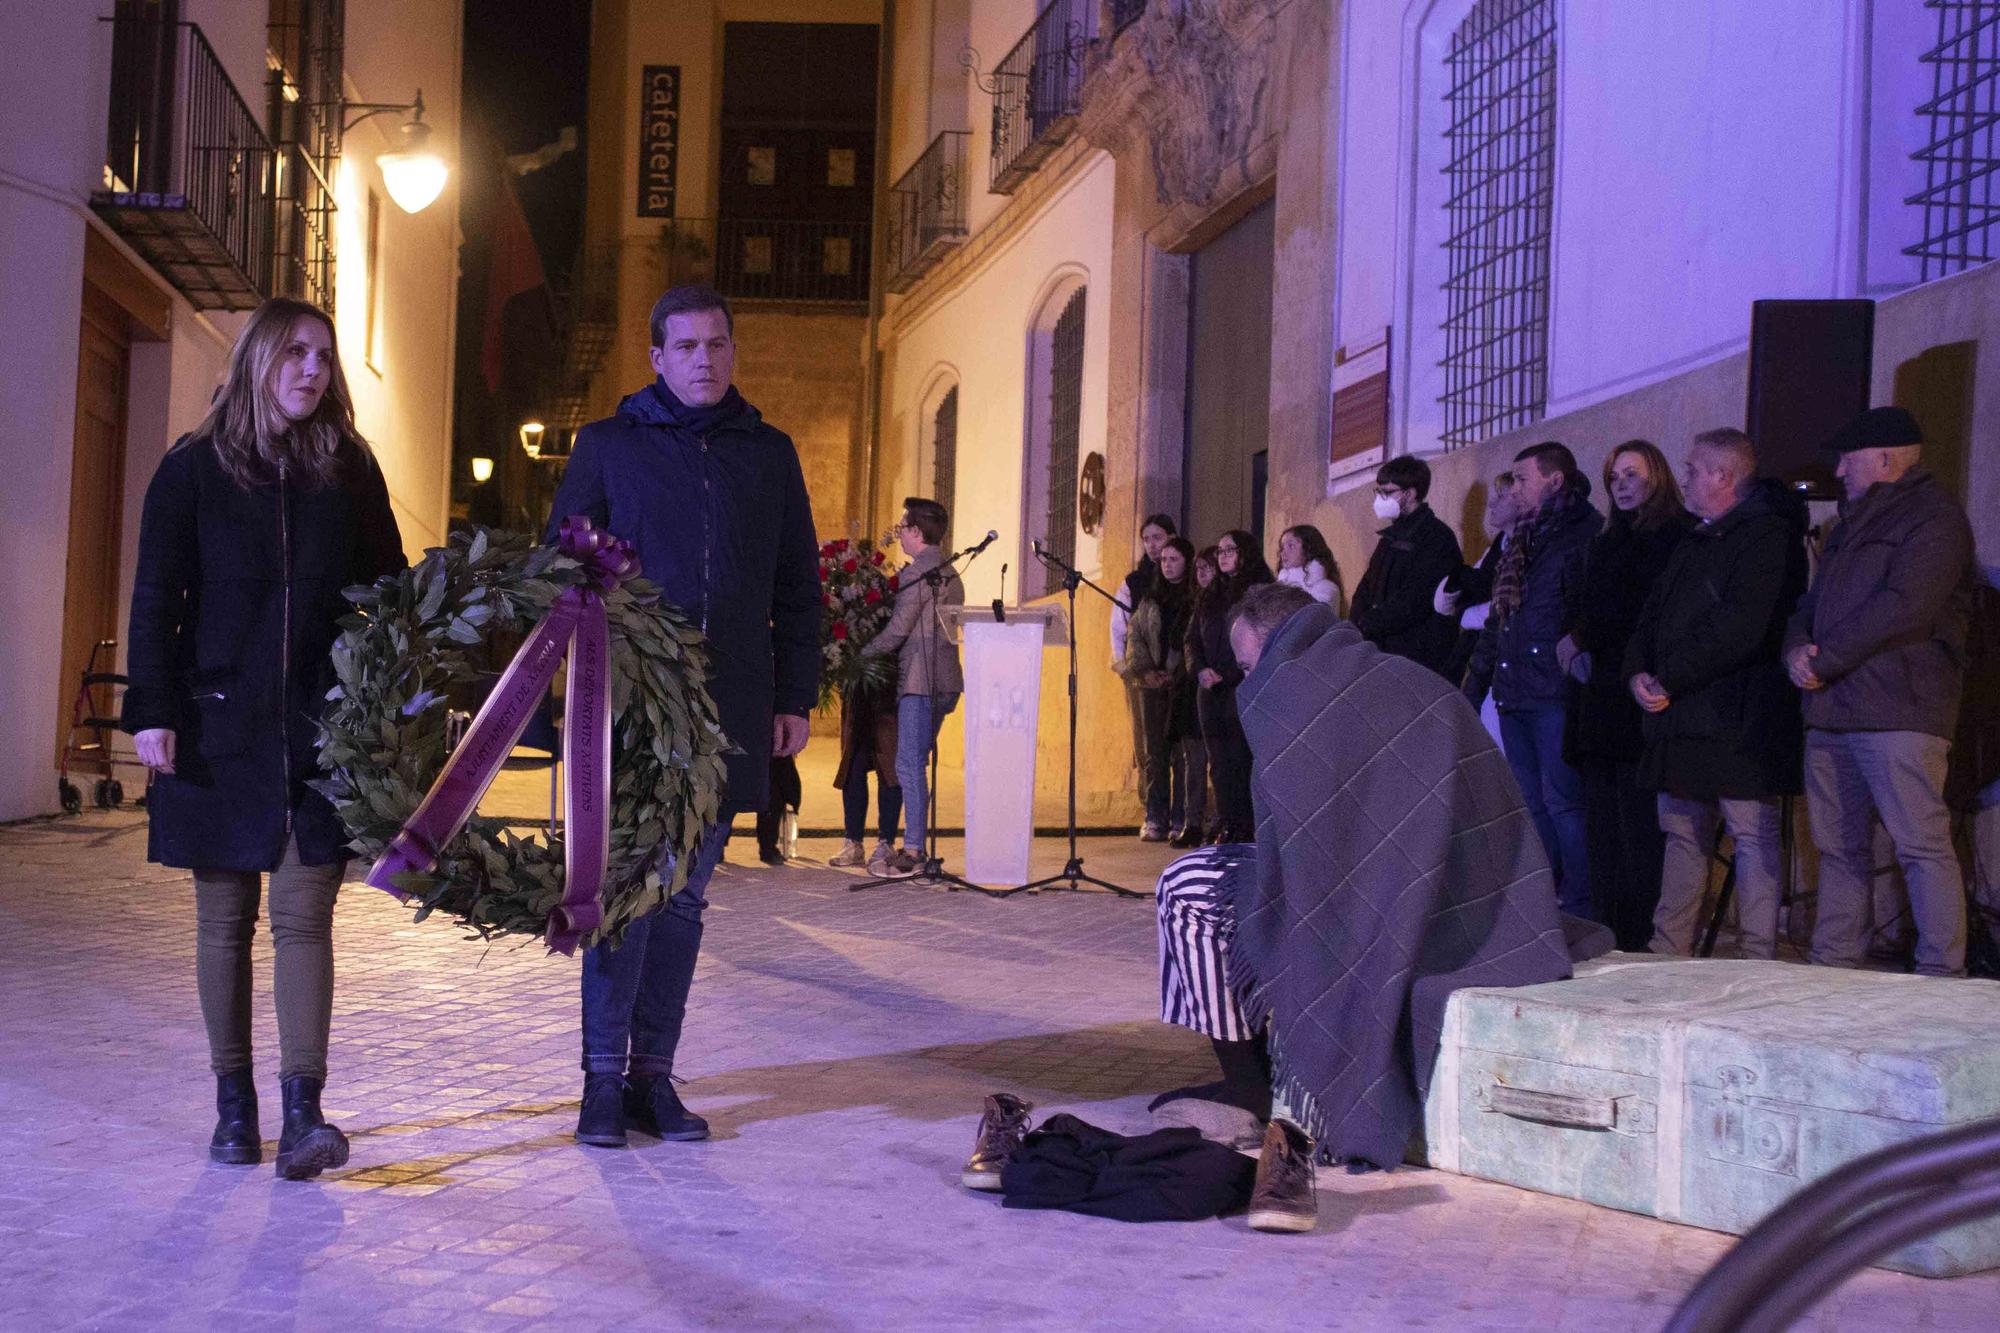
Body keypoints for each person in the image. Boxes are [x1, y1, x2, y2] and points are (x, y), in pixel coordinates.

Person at [1151, 583, 1576, 1230]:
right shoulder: (1408, 679)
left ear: (1279, 643)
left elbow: (1309, 873)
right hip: (1459, 907)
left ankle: (1257, 1088)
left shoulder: (1294, 698)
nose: (1247, 685)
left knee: (1193, 888)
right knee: (1314, 923)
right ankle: (1275, 1092)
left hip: (1388, 905)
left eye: (1247, 667)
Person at [121, 297, 405, 1179]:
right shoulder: (194, 469)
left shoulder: (349, 469)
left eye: (323, 355)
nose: (313, 369)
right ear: (254, 361)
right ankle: (233, 1109)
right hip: (218, 721)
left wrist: (388, 704)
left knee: (304, 912)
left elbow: (387, 593)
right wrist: (153, 709)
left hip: (320, 730)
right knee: (224, 918)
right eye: (294, 353)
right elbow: (155, 598)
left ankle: (302, 1112)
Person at [546, 284, 820, 1147]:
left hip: (730, 707)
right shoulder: (608, 447)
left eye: (719, 344)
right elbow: (563, 568)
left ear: (733, 352)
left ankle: (651, 1079)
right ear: (657, 357)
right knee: (626, 893)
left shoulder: (769, 455)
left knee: (687, 901)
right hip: (629, 710)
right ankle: (599, 1082)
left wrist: (794, 696)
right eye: (688, 346)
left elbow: (796, 584)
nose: (706, 359)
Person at [1785, 406, 1977, 977]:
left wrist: (1828, 660)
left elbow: (1904, 607)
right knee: (1839, 851)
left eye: (1849, 458)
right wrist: (1795, 651)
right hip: (1833, 711)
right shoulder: (1848, 525)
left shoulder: (1934, 518)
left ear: (1887, 459)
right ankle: (1834, 968)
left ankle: (1943, 976)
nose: (1839, 471)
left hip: (1899, 712)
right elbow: (1809, 607)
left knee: (1920, 846)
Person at [1623, 430, 1806, 960]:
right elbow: (1650, 618)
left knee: (1751, 836)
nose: (1684, 480)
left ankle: (1756, 958)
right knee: (1682, 834)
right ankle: (1668, 952)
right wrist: (1636, 672)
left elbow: (1740, 626)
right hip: (1680, 719)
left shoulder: (1767, 537)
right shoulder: (1695, 540)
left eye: (1693, 469)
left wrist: (1668, 678)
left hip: (1737, 719)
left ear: (1723, 476)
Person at [1560, 441, 1695, 951]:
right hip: (1600, 703)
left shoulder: (1671, 538)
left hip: (1639, 699)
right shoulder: (1607, 539)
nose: (1621, 484)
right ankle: (1607, 931)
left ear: (1657, 477)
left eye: (1632, 474)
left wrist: (1582, 636)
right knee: (1603, 831)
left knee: (1640, 831)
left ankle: (1636, 936)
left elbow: (1634, 609)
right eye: (1614, 475)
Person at [1468, 442, 1603, 918]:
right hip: (1513, 689)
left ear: (1554, 480)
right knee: (1530, 803)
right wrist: (1476, 683)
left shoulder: (1581, 533)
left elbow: (1578, 611)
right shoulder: (1521, 539)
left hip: (1551, 690)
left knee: (1565, 802)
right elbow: (1500, 620)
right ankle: (1545, 901)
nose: (1516, 486)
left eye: (1523, 478)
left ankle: (1580, 904)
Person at [864, 497, 965, 876]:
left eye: (904, 528)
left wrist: (862, 655)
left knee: (908, 763)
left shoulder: (917, 573)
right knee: (916, 762)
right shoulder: (952, 571)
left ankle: (912, 848)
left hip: (919, 681)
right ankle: (916, 842)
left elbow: (898, 628)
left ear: (917, 533)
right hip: (947, 681)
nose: (901, 534)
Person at [1185, 529, 1272, 844]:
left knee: (1243, 755)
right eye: (1219, 550)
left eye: (1229, 549)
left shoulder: (1260, 589)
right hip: (1209, 688)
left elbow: (1262, 636)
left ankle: (1249, 823)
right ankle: (1227, 821)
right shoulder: (1210, 594)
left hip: (1243, 684)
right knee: (1219, 759)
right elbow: (1192, 638)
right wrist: (1199, 669)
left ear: (1245, 553)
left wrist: (1231, 673)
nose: (1222, 555)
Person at [1349, 455, 1462, 675]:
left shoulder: (1436, 537)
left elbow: (1418, 597)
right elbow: (1367, 586)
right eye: (1378, 491)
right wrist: (1357, 622)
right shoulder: (1390, 538)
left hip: (1416, 656)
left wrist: (1370, 622)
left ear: (1410, 494)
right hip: (1381, 650)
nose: (1380, 499)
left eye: (1387, 492)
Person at [1118, 536, 1198, 842]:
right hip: (1150, 685)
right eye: (1163, 560)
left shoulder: (1194, 598)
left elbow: (1194, 638)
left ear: (1187, 562)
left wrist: (1177, 673)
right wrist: (1146, 671)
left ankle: (1181, 817)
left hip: (1181, 685)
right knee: (1154, 753)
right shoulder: (1150, 600)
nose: (1167, 565)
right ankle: (1155, 817)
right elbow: (1134, 635)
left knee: (1181, 755)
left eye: (1174, 559)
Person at [1112, 514, 1177, 821]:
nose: (1152, 546)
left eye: (1158, 538)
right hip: (1141, 676)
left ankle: (1182, 810)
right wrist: (1130, 668)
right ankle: (1152, 807)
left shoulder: (1183, 578)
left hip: (1177, 674)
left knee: (1178, 742)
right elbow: (1119, 627)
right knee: (1146, 742)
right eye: (1147, 539)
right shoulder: (1134, 582)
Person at [828, 674, 903, 874]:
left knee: (889, 771)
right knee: (852, 770)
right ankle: (853, 843)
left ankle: (886, 842)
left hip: (888, 694)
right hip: (857, 699)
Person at [1273, 524, 1341, 606]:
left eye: (1291, 546)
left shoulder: (1326, 589)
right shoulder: (1278, 587)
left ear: (1309, 548)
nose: (1283, 553)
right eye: (1282, 547)